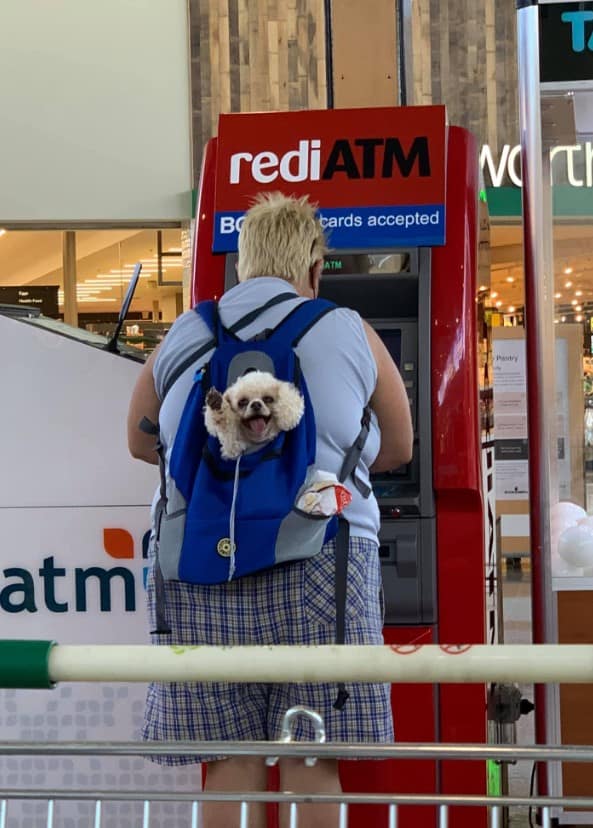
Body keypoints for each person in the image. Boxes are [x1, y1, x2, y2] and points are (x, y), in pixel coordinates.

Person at [127, 192, 414, 828]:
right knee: (311, 758)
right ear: (313, 266)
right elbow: (400, 446)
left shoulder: (188, 329)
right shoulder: (345, 326)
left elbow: (141, 440)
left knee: (229, 763)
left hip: (201, 558)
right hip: (321, 559)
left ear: (242, 265)